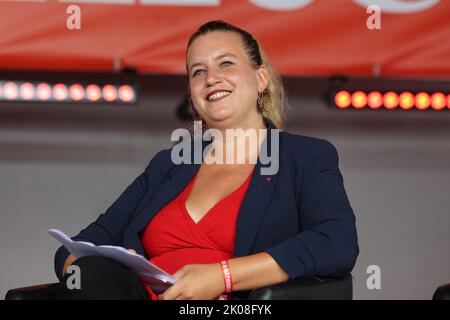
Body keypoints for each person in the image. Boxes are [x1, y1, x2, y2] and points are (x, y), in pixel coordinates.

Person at [54, 20, 359, 300]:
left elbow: (336, 242)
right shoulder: (169, 163)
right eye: (198, 71)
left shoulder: (304, 157)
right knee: (90, 272)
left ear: (260, 78)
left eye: (225, 64)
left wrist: (222, 276)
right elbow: (79, 245)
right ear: (192, 92)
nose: (212, 78)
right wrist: (95, 275)